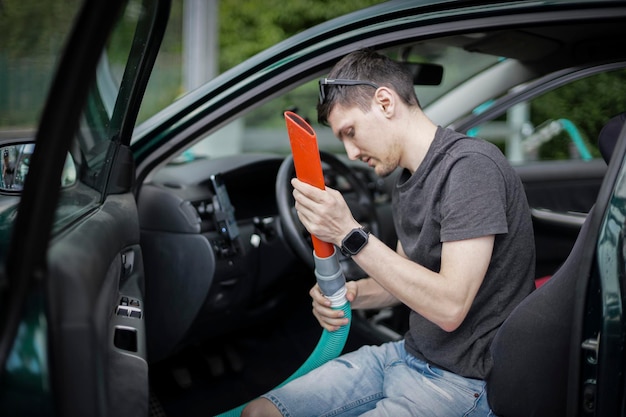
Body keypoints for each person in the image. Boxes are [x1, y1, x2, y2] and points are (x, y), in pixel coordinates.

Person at [242, 49, 535, 417]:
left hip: (462, 383)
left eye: (351, 132)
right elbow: (400, 279)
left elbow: (449, 306)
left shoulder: (470, 168)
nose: (349, 152)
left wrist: (350, 234)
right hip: (405, 355)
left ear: (384, 102)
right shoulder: (408, 181)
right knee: (260, 412)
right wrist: (350, 294)